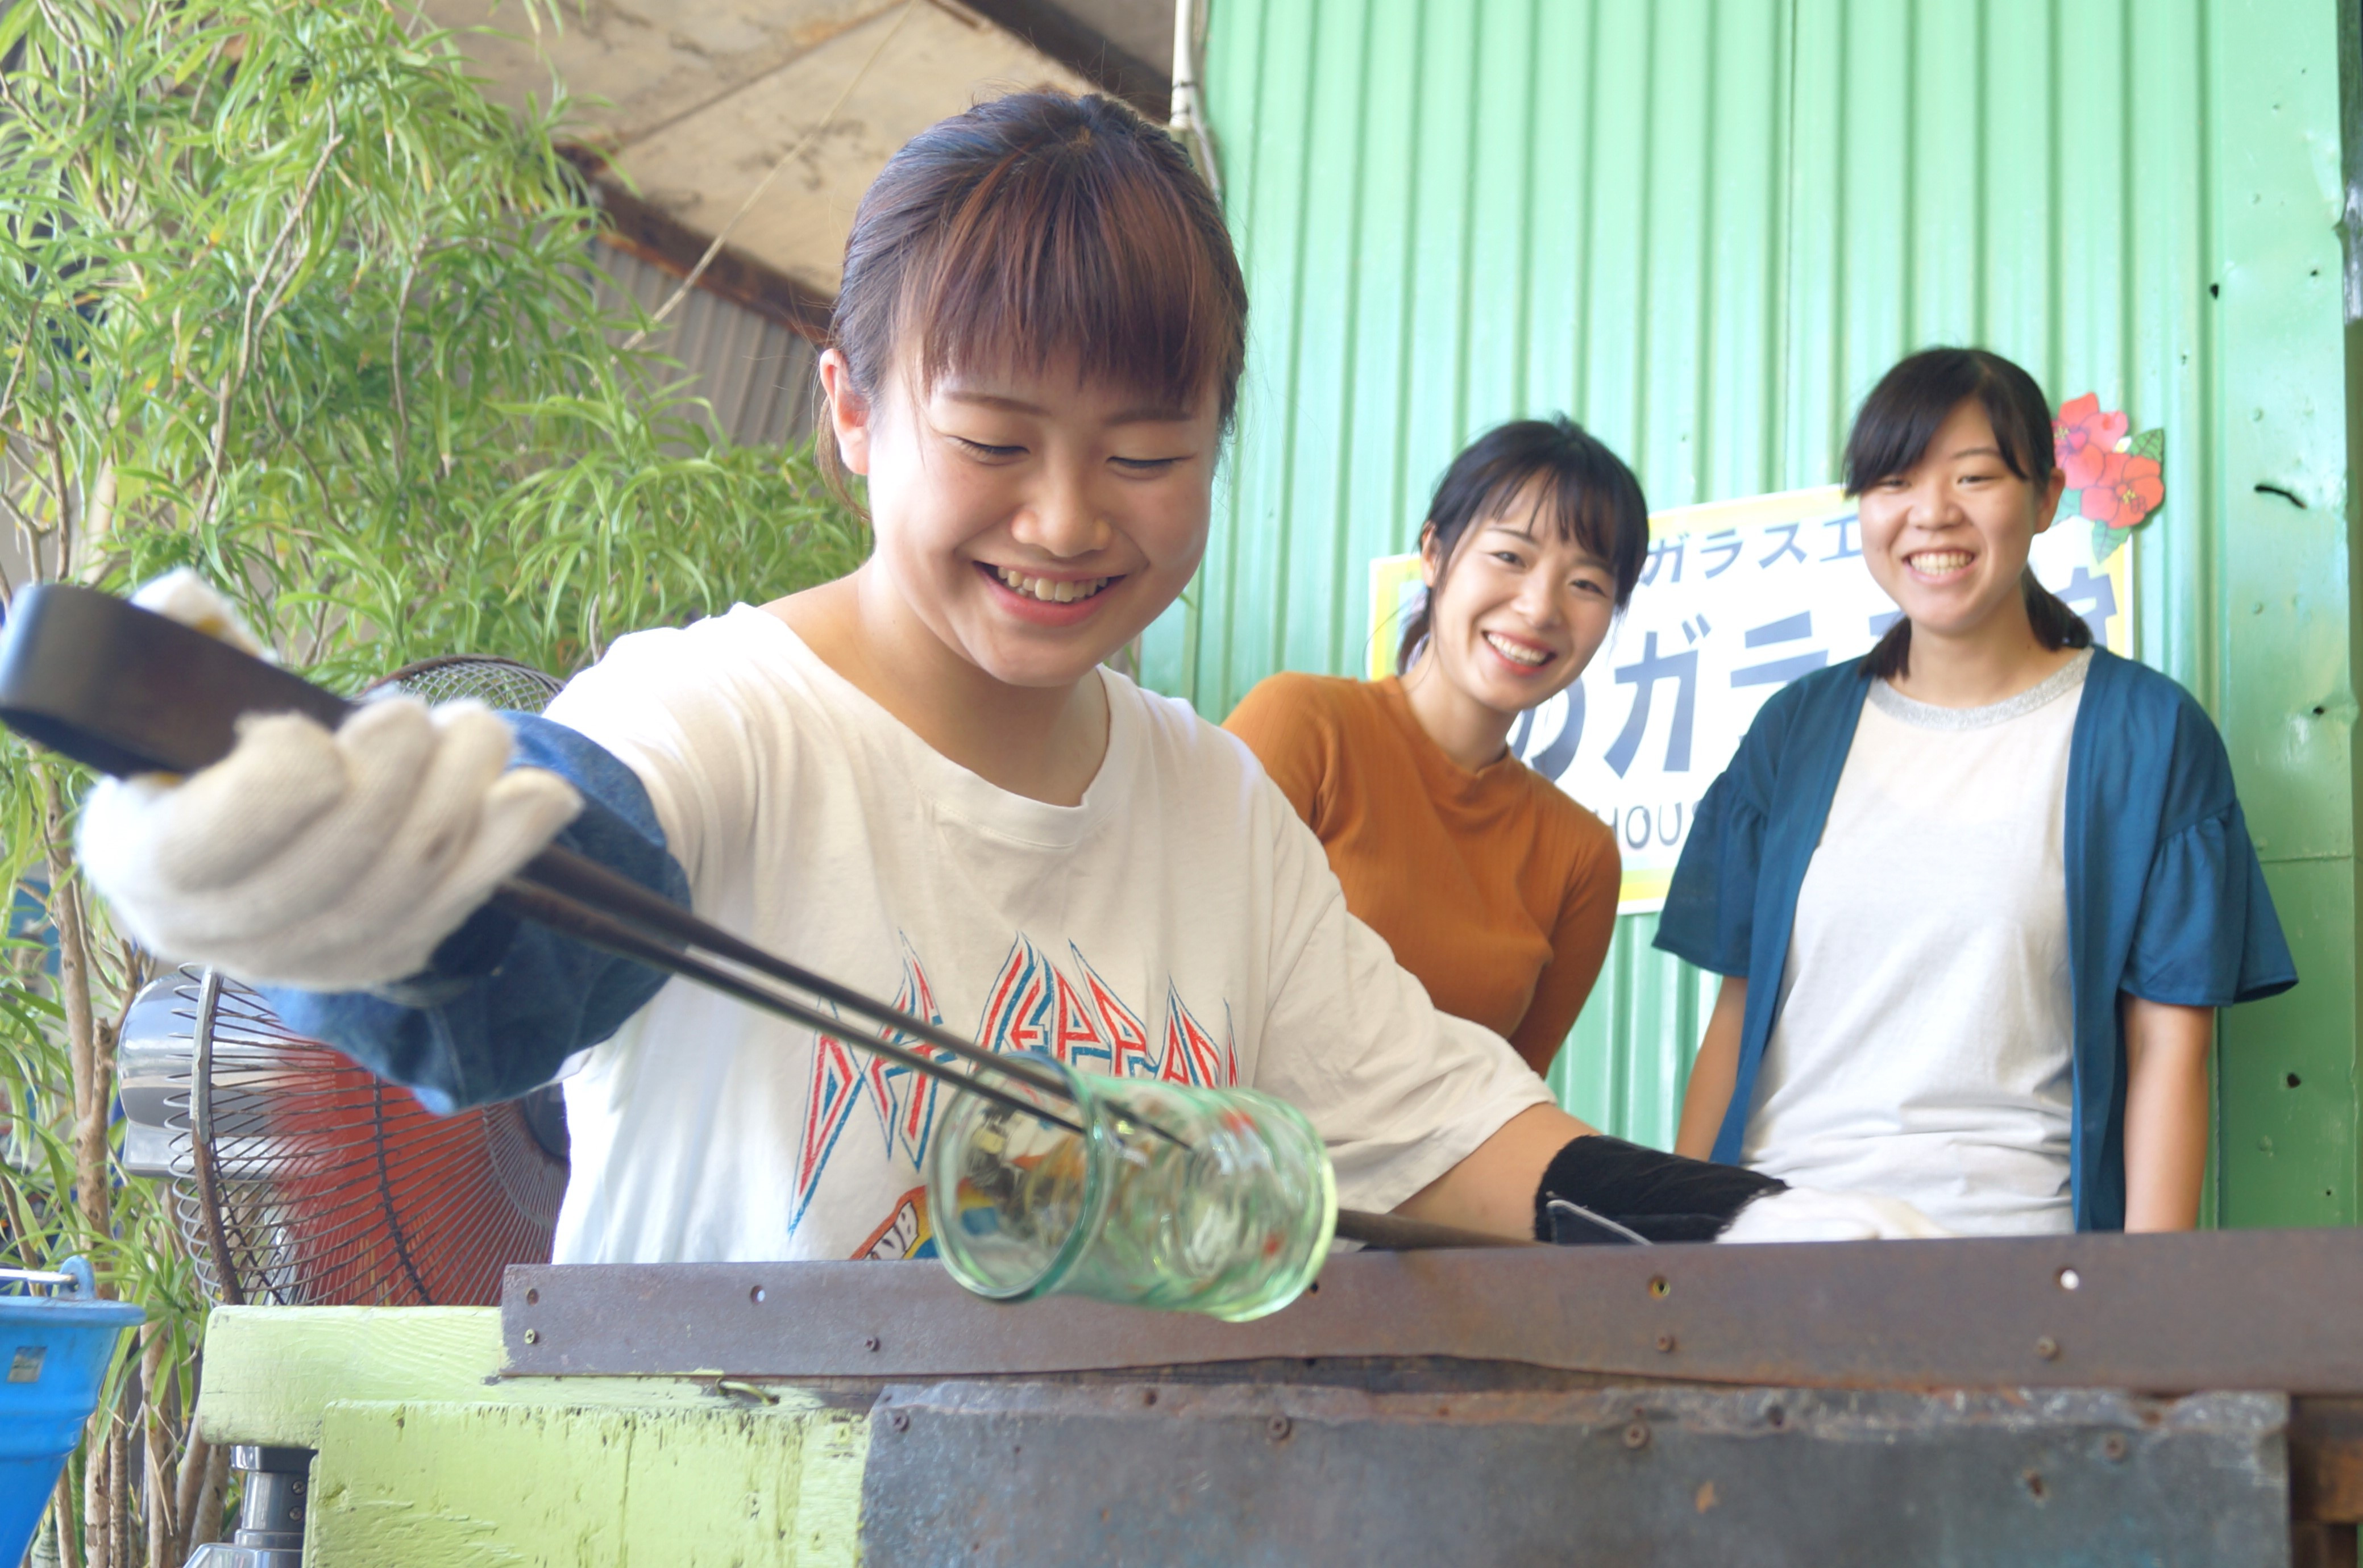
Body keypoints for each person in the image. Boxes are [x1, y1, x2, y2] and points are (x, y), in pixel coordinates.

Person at [80, 93, 1937, 1262]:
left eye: (1145, 451)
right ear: (850, 408)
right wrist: (358, 897)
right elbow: (538, 939)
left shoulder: (1210, 797)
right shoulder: (715, 711)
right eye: (992, 437)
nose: (1065, 519)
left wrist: (1760, 1224)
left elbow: (1440, 1121)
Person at [1663, 346, 2296, 1235]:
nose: (1931, 513)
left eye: (1975, 476)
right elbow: (1735, 1019)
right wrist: (1672, 1256)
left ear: (2043, 499)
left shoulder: (2146, 735)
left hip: (2010, 1260)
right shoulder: (1795, 731)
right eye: (1894, 481)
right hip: (1772, 1241)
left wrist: (2148, 1315)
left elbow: (2168, 1047)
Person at [1223, 420, 1641, 1076]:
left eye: (1585, 583)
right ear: (1434, 553)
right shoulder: (1304, 724)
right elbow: (1177, 980)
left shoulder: (1581, 856)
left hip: (1427, 1180)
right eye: (1510, 556)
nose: (1539, 609)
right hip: (1230, 1160)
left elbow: (1505, 1103)